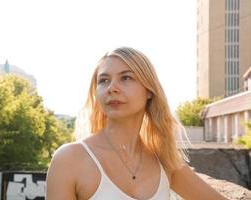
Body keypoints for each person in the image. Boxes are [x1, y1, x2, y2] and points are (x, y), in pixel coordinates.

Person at [46, 47, 228, 200]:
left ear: (149, 91)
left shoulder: (165, 161)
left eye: (126, 78)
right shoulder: (70, 159)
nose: (112, 88)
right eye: (104, 81)